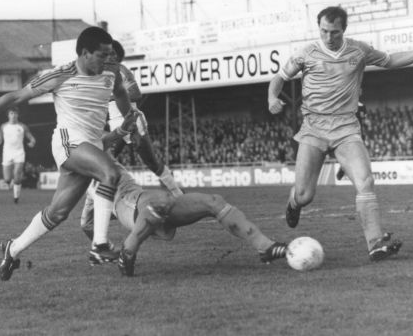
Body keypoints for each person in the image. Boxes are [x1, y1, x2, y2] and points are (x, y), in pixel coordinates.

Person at [268, 6, 413, 262]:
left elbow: (391, 60)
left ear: (344, 29)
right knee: (304, 195)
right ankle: (294, 202)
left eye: (334, 32)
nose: (328, 36)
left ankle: (375, 243)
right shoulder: (306, 53)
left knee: (365, 181)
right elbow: (279, 77)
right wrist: (272, 98)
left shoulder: (359, 50)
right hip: (313, 128)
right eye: (323, 31)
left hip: (346, 128)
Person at [0, 26, 133, 280]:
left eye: (111, 54)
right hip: (69, 143)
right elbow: (15, 97)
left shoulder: (111, 71)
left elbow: (121, 93)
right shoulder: (61, 75)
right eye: (102, 55)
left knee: (58, 212)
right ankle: (99, 246)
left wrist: (129, 116)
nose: (109, 59)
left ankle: (12, 249)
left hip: (92, 147)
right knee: (110, 173)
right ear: (85, 53)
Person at [81, 114, 289, 277]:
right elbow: (86, 223)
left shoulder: (102, 154)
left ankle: (266, 247)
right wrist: (102, 244)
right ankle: (127, 253)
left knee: (214, 202)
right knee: (161, 201)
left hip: (142, 199)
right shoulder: (88, 177)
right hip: (132, 207)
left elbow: (86, 224)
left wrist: (127, 128)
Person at [106, 40, 183, 197]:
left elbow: (136, 94)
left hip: (132, 121)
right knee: (103, 163)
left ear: (117, 56)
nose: (109, 56)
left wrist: (112, 96)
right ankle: (92, 209)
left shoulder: (122, 71)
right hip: (114, 124)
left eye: (112, 53)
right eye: (106, 53)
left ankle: (178, 194)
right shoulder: (100, 74)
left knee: (152, 162)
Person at [0, 107, 36, 203]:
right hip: (7, 153)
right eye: (11, 113)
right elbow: (0, 138)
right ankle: (11, 183)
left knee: (17, 174)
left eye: (15, 113)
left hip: (19, 152)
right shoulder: (3, 126)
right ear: (8, 115)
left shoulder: (22, 126)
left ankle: (16, 198)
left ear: (17, 115)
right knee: (7, 179)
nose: (13, 115)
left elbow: (31, 137)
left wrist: (32, 142)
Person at [336, 93, 366, 181]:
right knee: (350, 153)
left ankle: (344, 168)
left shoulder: (362, 106)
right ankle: (343, 167)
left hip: (359, 133)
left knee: (359, 155)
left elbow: (364, 120)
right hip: (349, 133)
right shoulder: (347, 106)